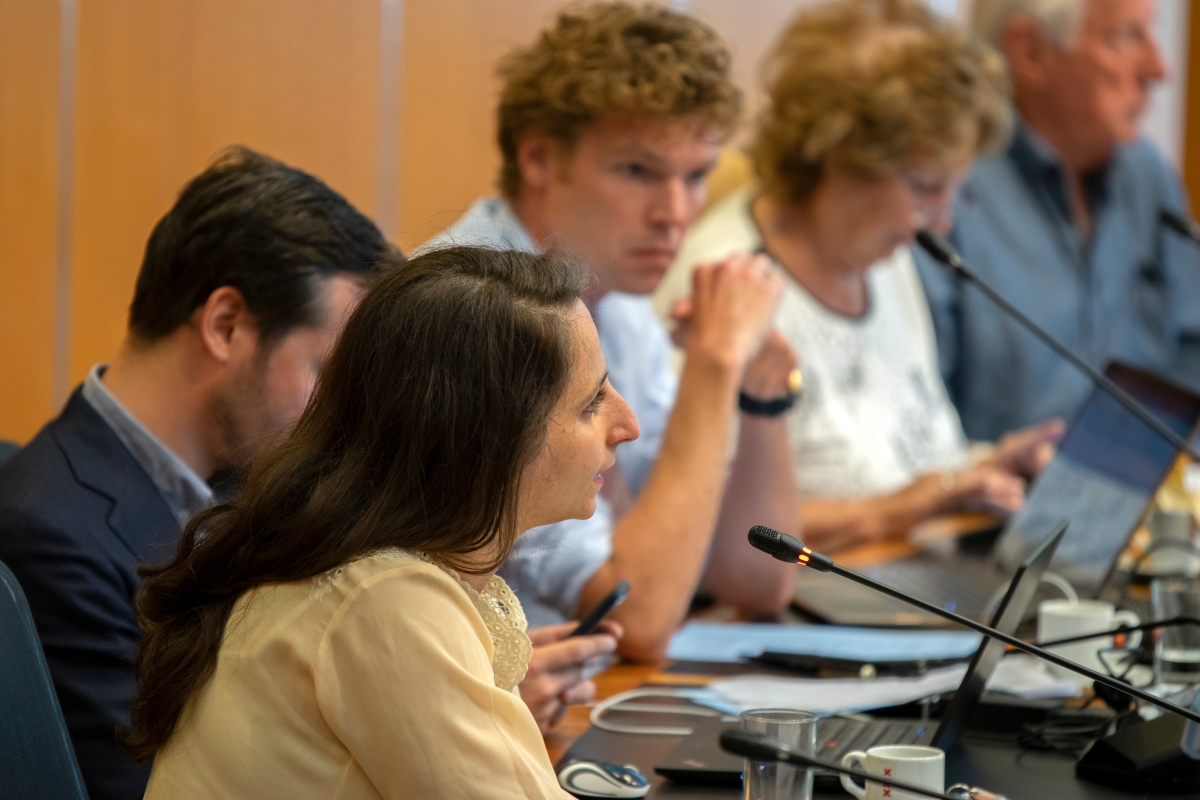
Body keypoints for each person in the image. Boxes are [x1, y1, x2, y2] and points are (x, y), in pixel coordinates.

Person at [125, 246, 637, 799]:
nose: (626, 424)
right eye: (591, 403)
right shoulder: (387, 597)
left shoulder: (374, 573)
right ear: (490, 439)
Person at [421, 2, 800, 717]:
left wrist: (757, 397)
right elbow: (640, 613)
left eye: (696, 176)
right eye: (637, 170)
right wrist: (715, 365)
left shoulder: (613, 298)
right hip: (466, 725)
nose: (676, 212)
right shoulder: (480, 310)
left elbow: (753, 579)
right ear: (539, 157)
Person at [0, 147, 392, 800]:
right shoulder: (47, 535)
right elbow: (151, 787)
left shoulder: (242, 485)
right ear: (226, 325)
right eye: (325, 372)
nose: (340, 415)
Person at [659, 0, 1062, 552]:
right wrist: (896, 511)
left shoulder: (887, 261)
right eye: (924, 187)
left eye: (954, 190)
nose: (942, 221)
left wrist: (988, 467)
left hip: (914, 583)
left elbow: (903, 459)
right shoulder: (720, 281)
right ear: (840, 157)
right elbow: (706, 525)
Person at [916, 0, 1200, 441]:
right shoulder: (940, 190)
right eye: (1126, 38)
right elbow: (917, 425)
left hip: (1156, 494)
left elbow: (1192, 349)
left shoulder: (1147, 176)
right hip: (1001, 501)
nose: (1159, 69)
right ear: (1030, 51)